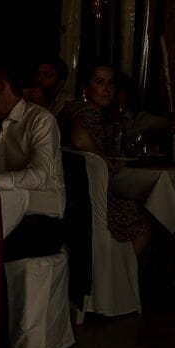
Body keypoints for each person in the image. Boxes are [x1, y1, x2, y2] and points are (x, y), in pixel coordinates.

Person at [0, 58, 66, 261]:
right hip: (0, 214)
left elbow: (40, 176)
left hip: (40, 218)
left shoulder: (41, 120)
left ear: (1, 86)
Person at [57, 64, 152, 256]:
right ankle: (123, 279)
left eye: (111, 83)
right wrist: (105, 160)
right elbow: (79, 138)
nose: (107, 89)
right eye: (100, 82)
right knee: (146, 221)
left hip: (74, 195)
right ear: (85, 87)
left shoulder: (73, 108)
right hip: (90, 199)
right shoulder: (87, 111)